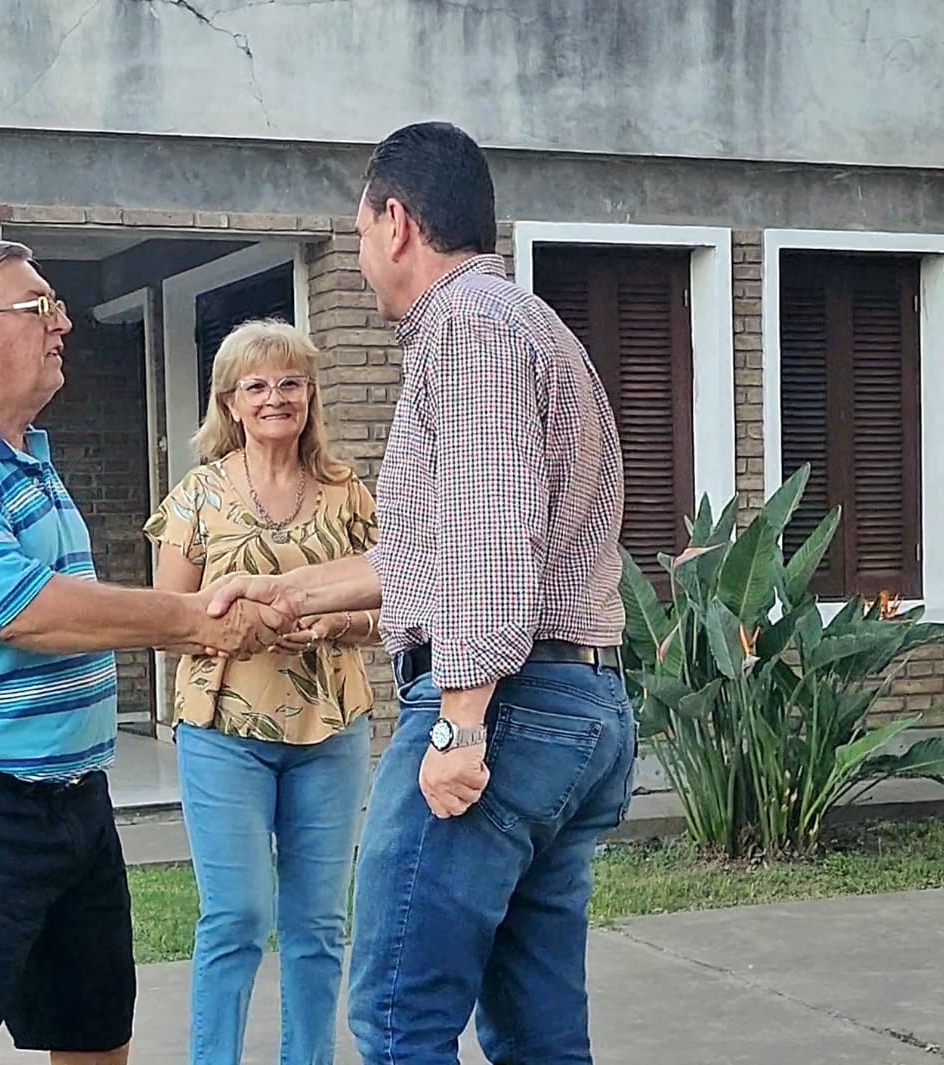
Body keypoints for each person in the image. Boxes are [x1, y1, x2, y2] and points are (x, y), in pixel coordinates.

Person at [206, 122, 638, 1064]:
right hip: (574, 705)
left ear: (396, 222)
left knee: (400, 1017)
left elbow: (487, 542)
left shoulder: (468, 328)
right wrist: (285, 590)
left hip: (503, 710)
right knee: (538, 1030)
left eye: (360, 230)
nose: (360, 251)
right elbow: (428, 556)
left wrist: (459, 727)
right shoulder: (525, 323)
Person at [0, 238, 288, 1065]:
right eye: (40, 307)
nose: (63, 323)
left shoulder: (19, 451)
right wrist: (192, 619)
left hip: (65, 801)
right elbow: (20, 610)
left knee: (94, 1035)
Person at [144, 319, 382, 1065]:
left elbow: (396, 603)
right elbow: (167, 621)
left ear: (310, 395)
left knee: (319, 925)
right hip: (224, 732)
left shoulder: (347, 492)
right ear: (230, 402)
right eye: (258, 385)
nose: (276, 397)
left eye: (291, 383)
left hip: (331, 728)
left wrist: (338, 621)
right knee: (237, 916)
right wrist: (239, 628)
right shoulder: (198, 494)